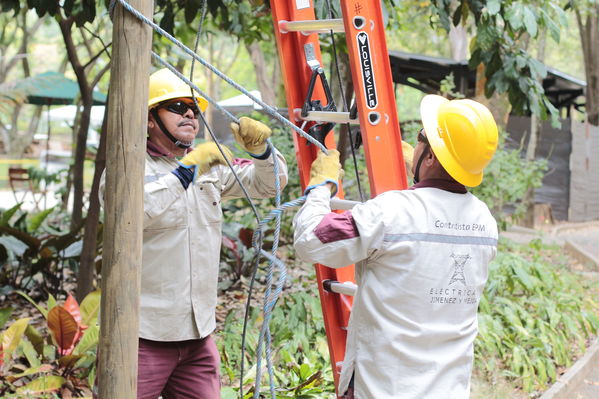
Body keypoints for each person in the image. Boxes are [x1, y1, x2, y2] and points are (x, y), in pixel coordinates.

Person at [293, 94, 499, 399]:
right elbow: (432, 218)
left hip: (383, 388)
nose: (414, 145)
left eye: (420, 138)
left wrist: (321, 186)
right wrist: (420, 163)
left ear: (430, 156)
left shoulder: (391, 213)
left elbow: (310, 240)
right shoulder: (485, 222)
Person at [99, 68, 288, 399]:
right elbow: (130, 215)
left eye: (194, 108)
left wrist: (262, 153)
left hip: (198, 336)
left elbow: (267, 184)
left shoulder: (207, 168)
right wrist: (186, 172)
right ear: (148, 120)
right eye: (175, 106)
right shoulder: (127, 168)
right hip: (142, 336)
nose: (189, 113)